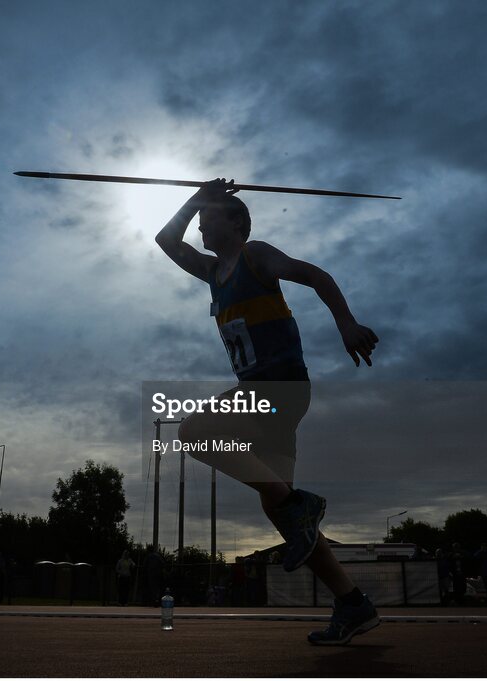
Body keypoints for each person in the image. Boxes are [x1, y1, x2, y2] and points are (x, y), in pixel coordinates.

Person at [155, 179, 380, 645]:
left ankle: (301, 507)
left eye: (207, 218)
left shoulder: (255, 256)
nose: (198, 226)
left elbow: (314, 275)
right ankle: (352, 602)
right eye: (197, 220)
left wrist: (346, 322)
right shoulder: (211, 272)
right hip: (265, 395)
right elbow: (164, 240)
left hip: (278, 387)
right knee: (281, 511)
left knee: (195, 432)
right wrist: (194, 198)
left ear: (235, 223)